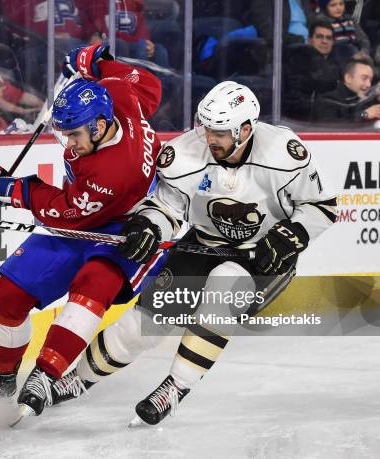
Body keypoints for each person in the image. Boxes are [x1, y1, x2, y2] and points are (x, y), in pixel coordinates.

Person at [51, 81, 338, 426]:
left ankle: (175, 387)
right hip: (203, 243)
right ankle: (77, 380)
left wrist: (293, 234)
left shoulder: (284, 153)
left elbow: (321, 206)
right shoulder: (183, 154)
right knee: (140, 325)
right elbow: (166, 209)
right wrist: (148, 226)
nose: (209, 137)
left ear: (245, 129)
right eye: (205, 127)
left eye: (219, 131)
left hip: (261, 256)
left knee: (225, 285)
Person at [0, 44, 165, 420]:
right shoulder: (118, 92)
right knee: (8, 294)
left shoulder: (114, 170)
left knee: (90, 287)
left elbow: (66, 212)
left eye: (75, 135)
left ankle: (46, 374)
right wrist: (96, 61)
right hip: (84, 215)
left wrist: (15, 190)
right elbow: (150, 85)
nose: (70, 146)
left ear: (98, 125)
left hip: (128, 229)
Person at [282, 18, 340, 120]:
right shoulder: (297, 60)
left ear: (333, 42)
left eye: (328, 38)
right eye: (319, 37)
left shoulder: (339, 63)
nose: (324, 41)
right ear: (309, 40)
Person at [313, 55, 380, 122]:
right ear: (348, 78)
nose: (368, 85)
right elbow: (331, 127)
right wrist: (364, 115)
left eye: (370, 80)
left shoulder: (368, 101)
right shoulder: (327, 100)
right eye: (364, 78)